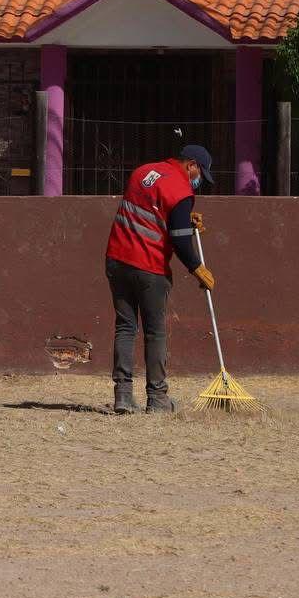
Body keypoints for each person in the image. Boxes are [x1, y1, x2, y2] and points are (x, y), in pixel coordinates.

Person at [104, 145, 216, 415]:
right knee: (155, 332)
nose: (198, 181)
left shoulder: (144, 171)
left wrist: (184, 218)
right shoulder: (181, 190)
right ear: (191, 165)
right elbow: (179, 240)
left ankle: (123, 396)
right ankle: (157, 398)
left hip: (116, 259)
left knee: (126, 327)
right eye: (199, 173)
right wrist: (197, 267)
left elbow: (152, 209)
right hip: (149, 267)